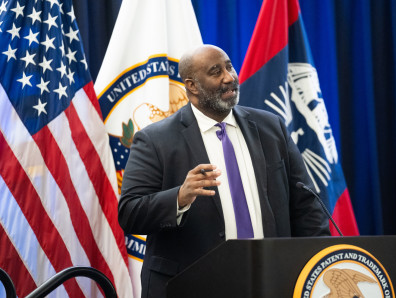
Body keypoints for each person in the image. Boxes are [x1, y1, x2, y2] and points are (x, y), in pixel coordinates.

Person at [118, 44, 330, 298]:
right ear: (192, 85)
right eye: (216, 71)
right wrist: (179, 198)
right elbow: (130, 213)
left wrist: (320, 264)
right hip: (191, 285)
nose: (229, 77)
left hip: (271, 280)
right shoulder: (155, 140)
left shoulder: (271, 128)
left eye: (229, 67)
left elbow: (307, 207)